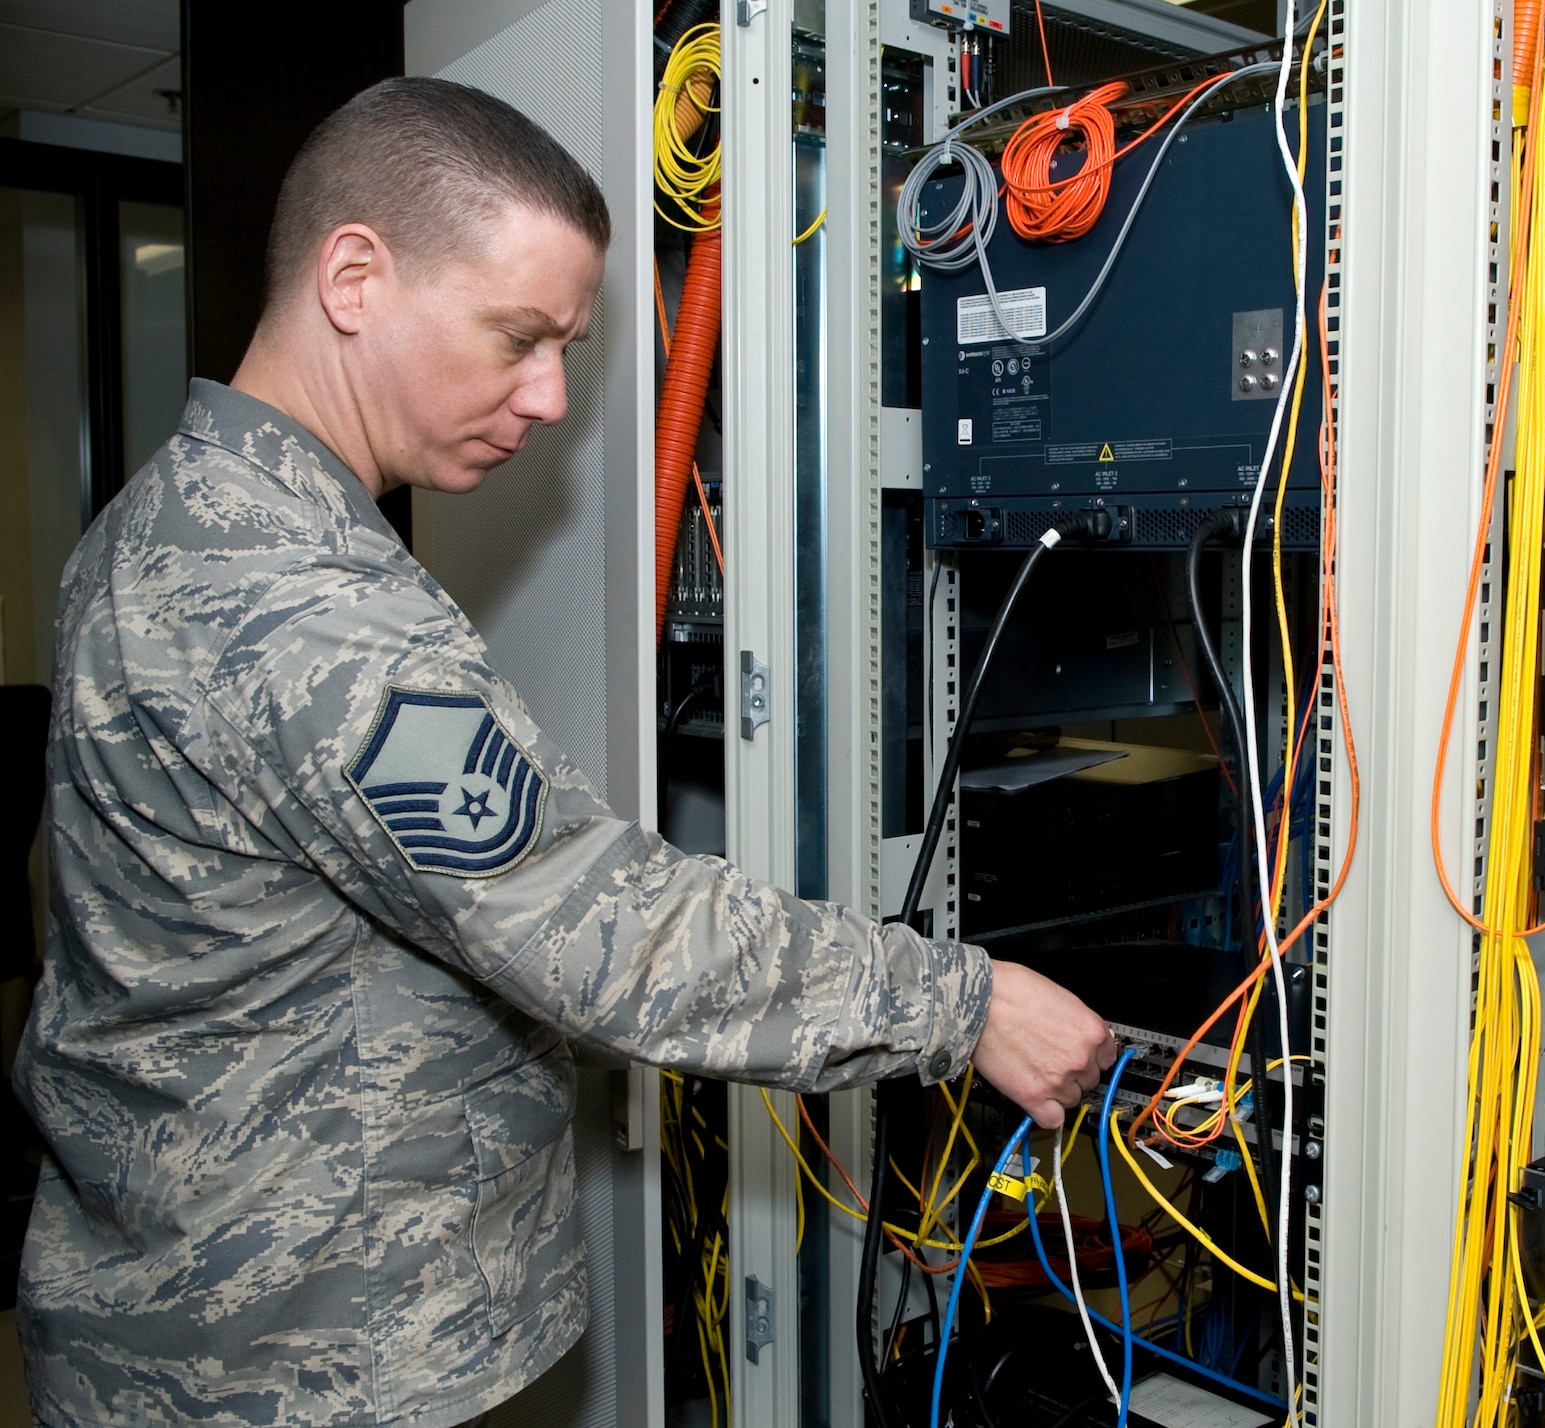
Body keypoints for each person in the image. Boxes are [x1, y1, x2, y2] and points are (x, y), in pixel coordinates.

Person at [13, 77, 1115, 1428]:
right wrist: (966, 1004)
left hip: (237, 1319)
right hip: (295, 1364)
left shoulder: (178, 519)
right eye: (517, 337)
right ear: (353, 276)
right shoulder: (290, 599)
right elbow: (601, 926)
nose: (545, 397)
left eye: (565, 352)